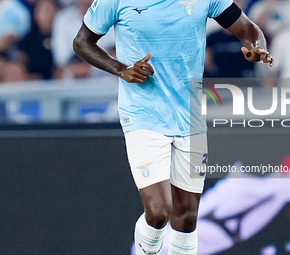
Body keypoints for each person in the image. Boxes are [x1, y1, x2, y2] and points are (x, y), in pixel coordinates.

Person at [73, 0, 273, 254]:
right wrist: (121, 69)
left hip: (190, 115)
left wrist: (257, 47)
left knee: (187, 217)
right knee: (158, 213)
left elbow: (247, 28)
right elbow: (81, 42)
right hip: (144, 113)